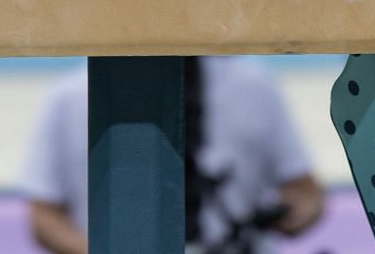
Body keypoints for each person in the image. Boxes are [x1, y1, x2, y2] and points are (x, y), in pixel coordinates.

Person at [21, 56, 325, 254]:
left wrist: (292, 213)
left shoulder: (253, 84)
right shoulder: (69, 96)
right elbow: (44, 216)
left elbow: (304, 189)